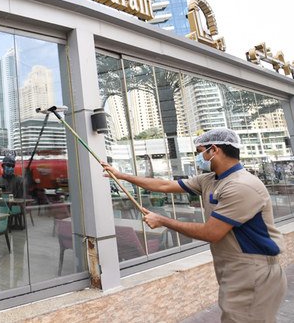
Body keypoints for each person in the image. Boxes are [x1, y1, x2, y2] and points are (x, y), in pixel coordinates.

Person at [102, 128, 286, 323]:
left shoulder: (242, 185)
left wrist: (163, 221)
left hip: (253, 270)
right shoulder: (210, 179)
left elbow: (211, 233)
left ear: (214, 150)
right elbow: (164, 186)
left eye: (200, 152)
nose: (199, 157)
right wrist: (122, 176)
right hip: (234, 267)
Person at [0, 155, 25, 228]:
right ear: (3, 166)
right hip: (2, 208)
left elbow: (22, 195)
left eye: (12, 166)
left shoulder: (19, 180)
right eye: (8, 166)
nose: (11, 168)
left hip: (15, 206)